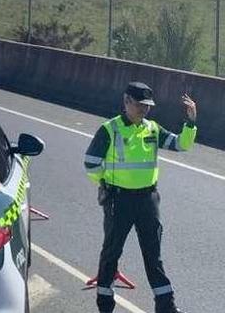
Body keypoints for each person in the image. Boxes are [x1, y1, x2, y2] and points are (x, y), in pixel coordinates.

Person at [84, 82, 197, 313]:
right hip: (119, 200)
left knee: (153, 255)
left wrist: (191, 122)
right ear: (126, 101)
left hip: (148, 200)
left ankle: (166, 307)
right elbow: (91, 163)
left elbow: (181, 144)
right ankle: (105, 306)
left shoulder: (152, 128)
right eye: (140, 105)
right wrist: (105, 185)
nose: (144, 110)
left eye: (148, 106)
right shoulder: (110, 129)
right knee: (111, 253)